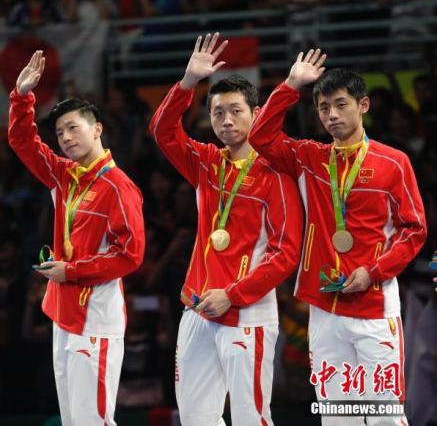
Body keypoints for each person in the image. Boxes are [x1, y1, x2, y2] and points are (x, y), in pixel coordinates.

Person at [248, 49, 427, 425]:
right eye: (323, 107)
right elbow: (260, 136)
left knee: (384, 417)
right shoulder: (309, 158)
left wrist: (373, 271)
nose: (331, 115)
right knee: (336, 417)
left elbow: (414, 230)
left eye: (340, 104)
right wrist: (291, 85)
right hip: (324, 307)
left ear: (363, 105)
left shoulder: (393, 162)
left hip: (374, 307)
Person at [149, 32, 304, 426]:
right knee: (195, 418)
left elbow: (286, 253)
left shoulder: (276, 175)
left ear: (257, 113)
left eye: (236, 111)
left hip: (247, 312)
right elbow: (163, 132)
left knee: (252, 419)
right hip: (197, 307)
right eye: (218, 113)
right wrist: (188, 82)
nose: (226, 121)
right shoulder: (206, 163)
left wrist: (232, 295)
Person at [8, 50, 146, 426]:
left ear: (97, 129)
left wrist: (71, 271)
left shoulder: (119, 187)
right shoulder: (64, 176)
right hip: (63, 315)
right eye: (60, 133)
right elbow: (22, 141)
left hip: (96, 319)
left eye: (73, 128)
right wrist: (22, 97)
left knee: (93, 421)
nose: (66, 138)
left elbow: (130, 255)